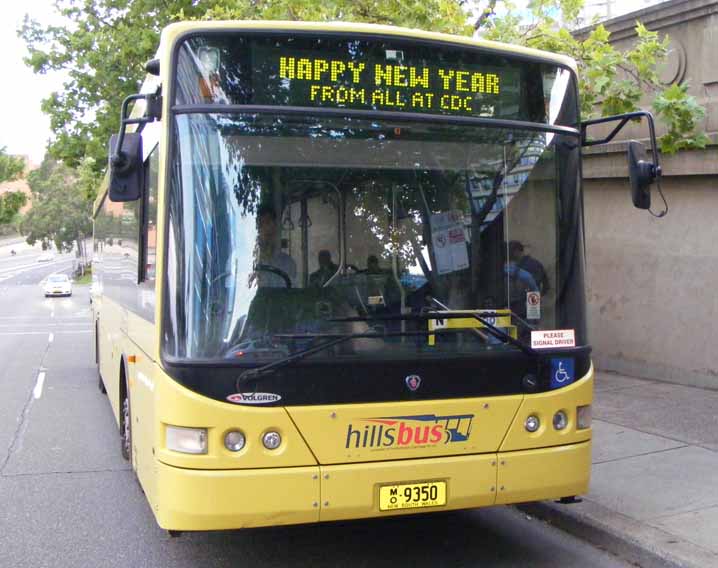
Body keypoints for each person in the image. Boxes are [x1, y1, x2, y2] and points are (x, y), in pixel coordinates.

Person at [255, 205, 297, 287]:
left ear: (276, 228)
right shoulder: (242, 263)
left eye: (268, 222)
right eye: (260, 224)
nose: (265, 228)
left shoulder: (288, 263)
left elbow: (292, 295)